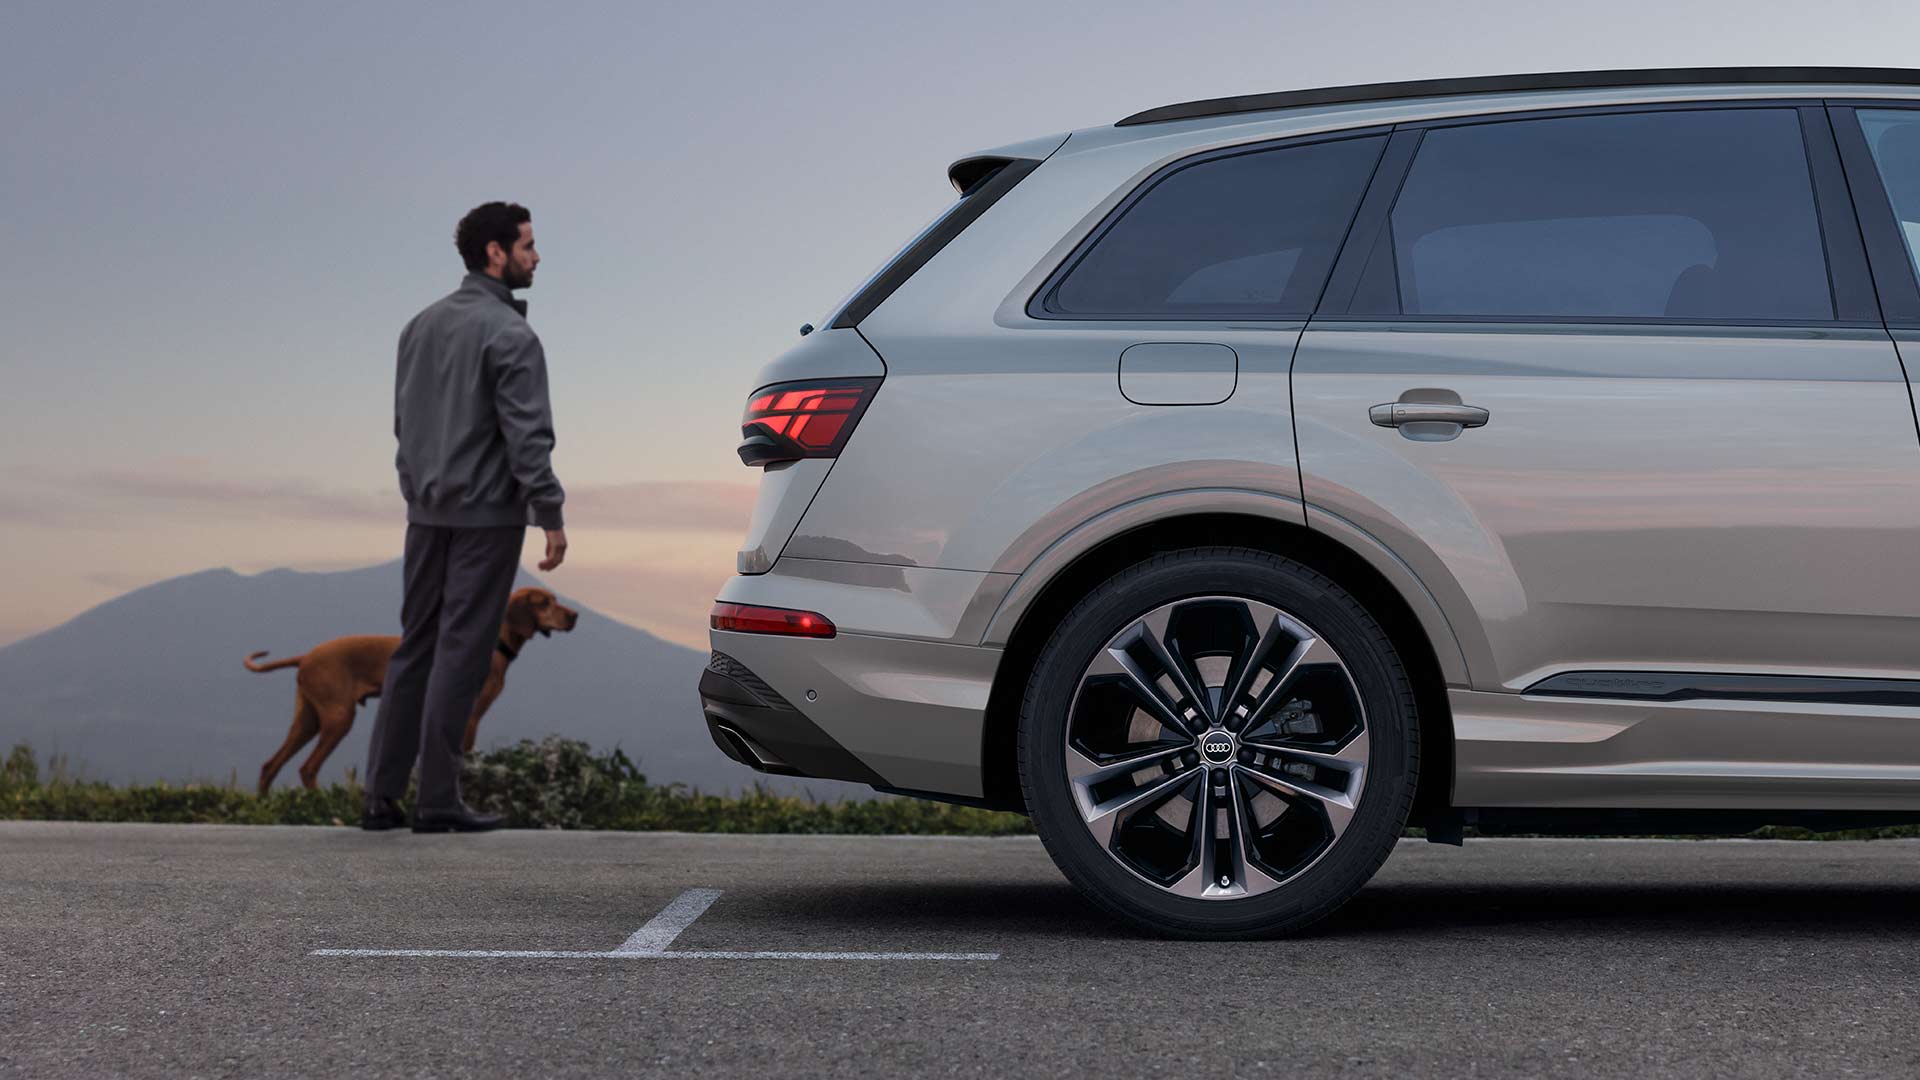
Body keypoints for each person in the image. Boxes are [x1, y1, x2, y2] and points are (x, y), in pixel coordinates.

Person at [361, 201, 569, 833]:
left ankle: (380, 799)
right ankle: (438, 801)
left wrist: (416, 490)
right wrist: (549, 513)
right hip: (486, 517)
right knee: (462, 651)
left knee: (414, 648)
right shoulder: (512, 335)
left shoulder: (418, 326)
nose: (538, 256)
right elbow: (526, 435)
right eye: (528, 245)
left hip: (424, 514)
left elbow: (403, 426)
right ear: (496, 253)